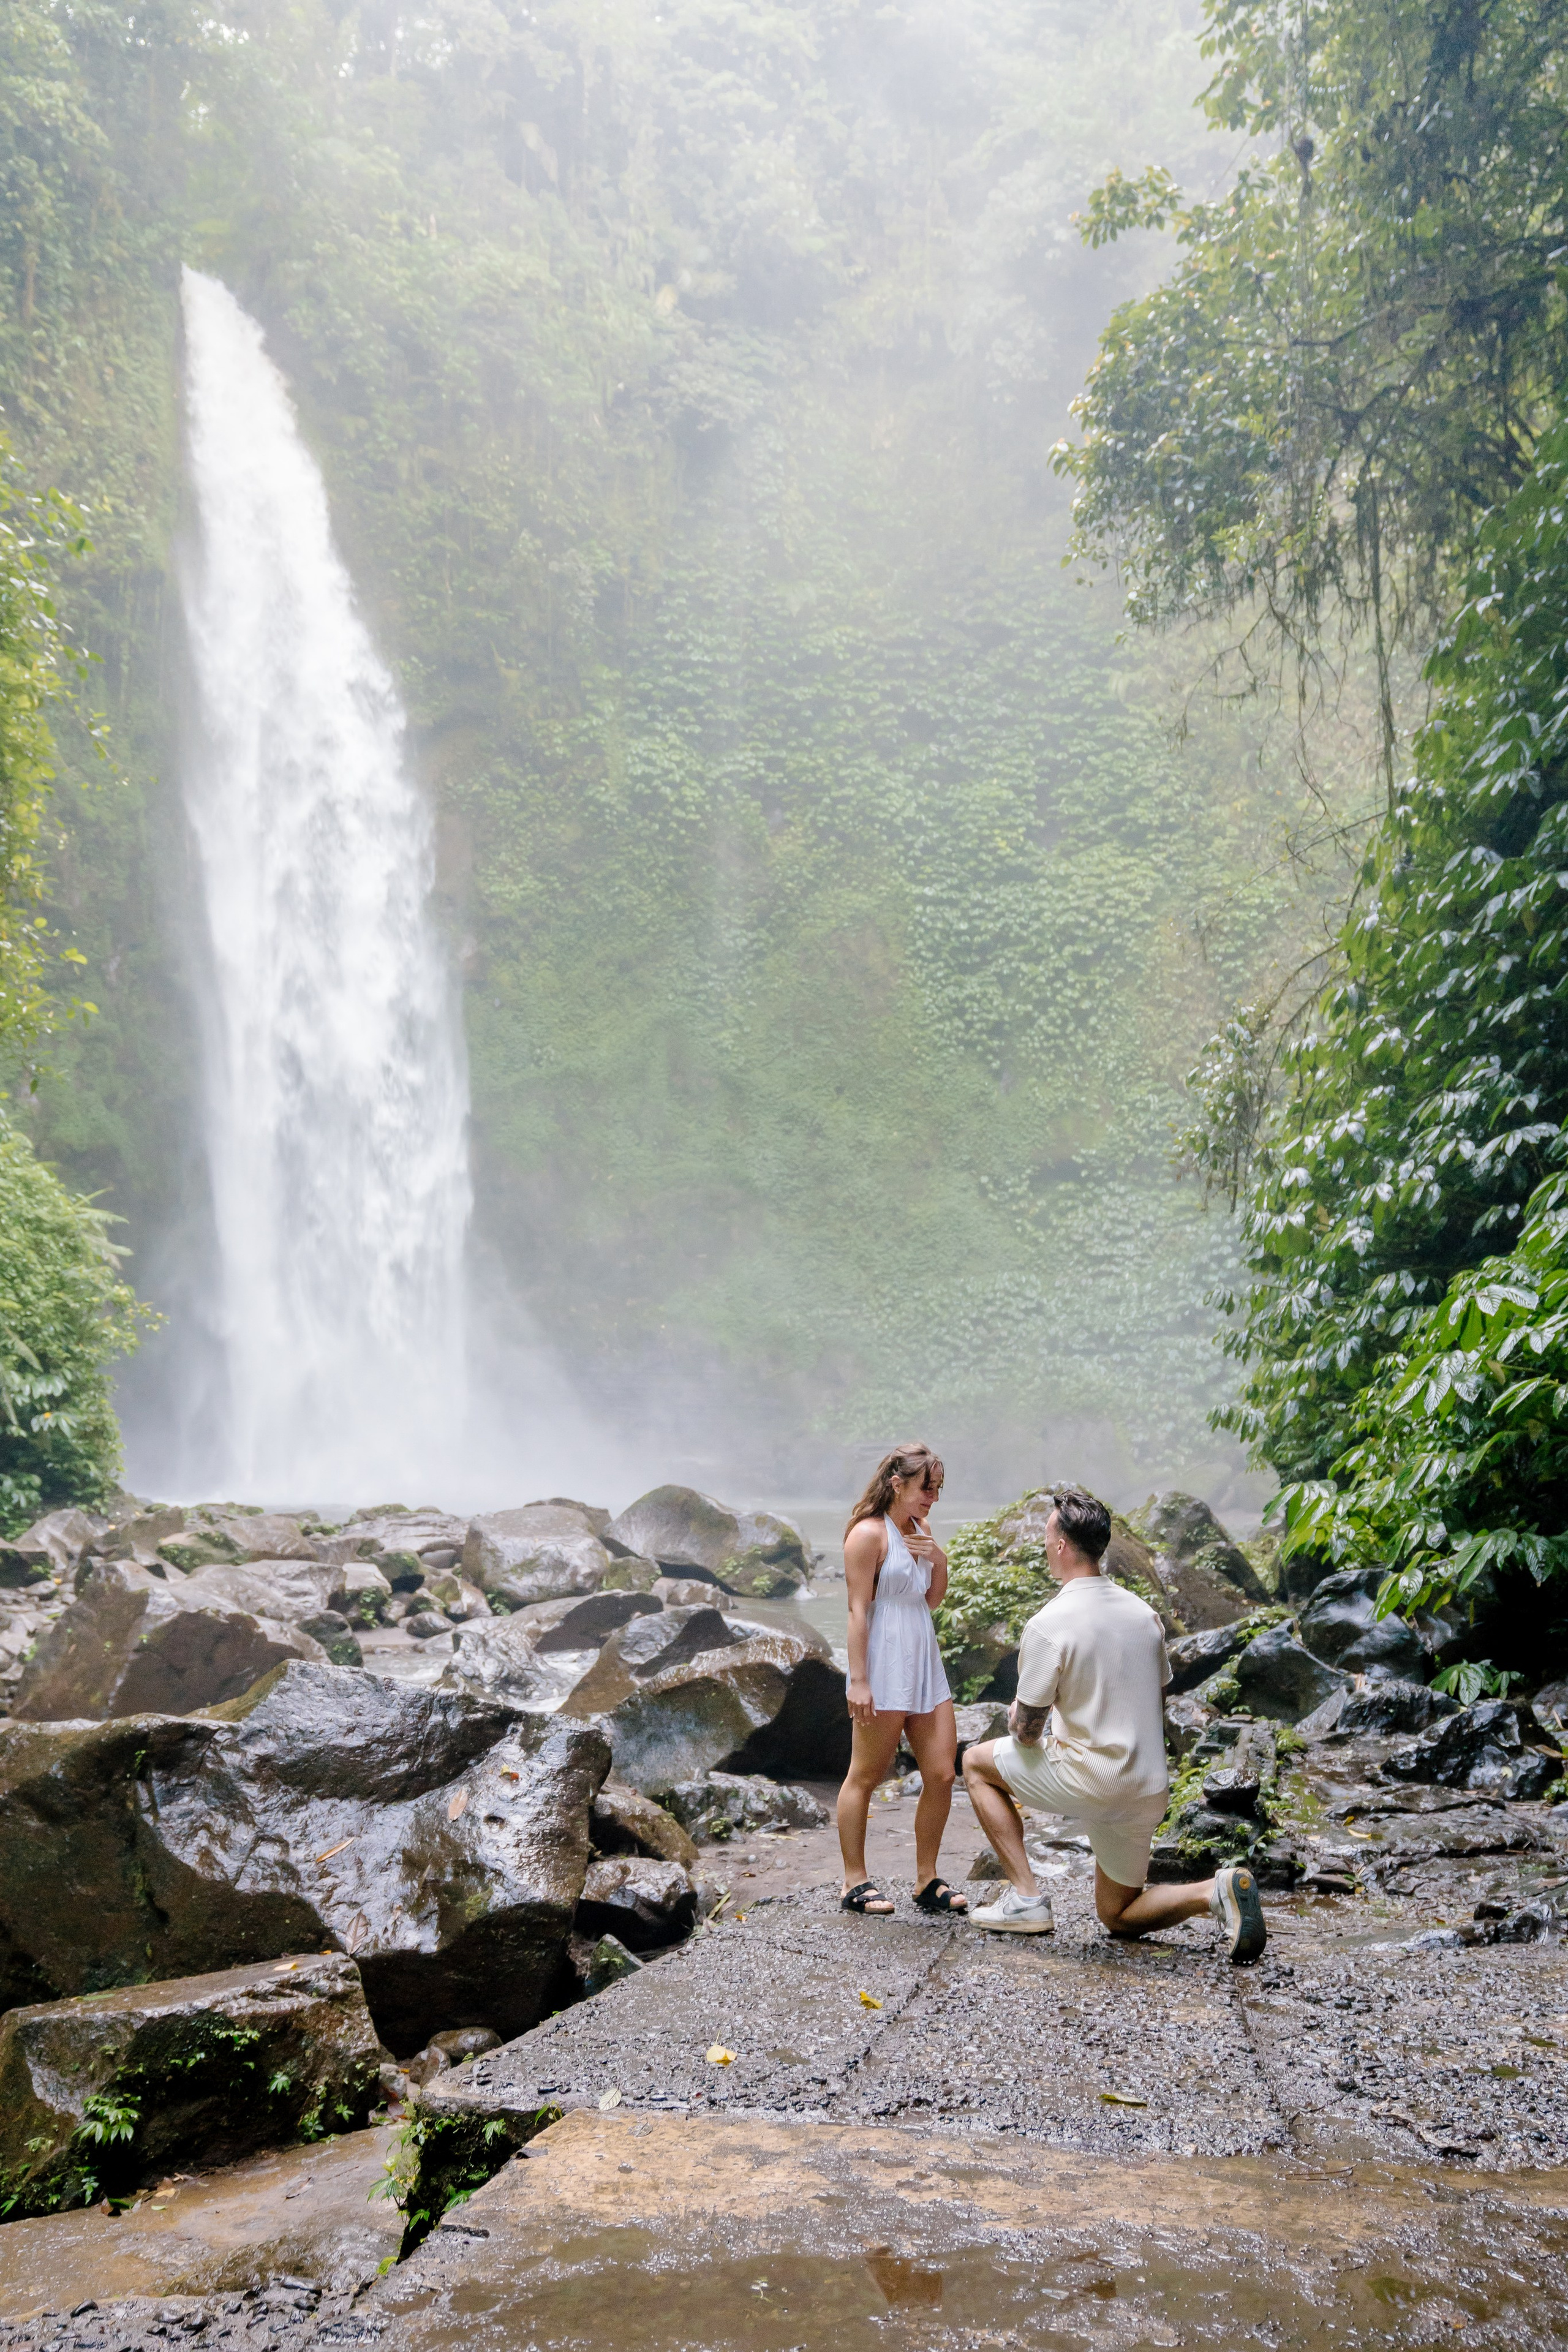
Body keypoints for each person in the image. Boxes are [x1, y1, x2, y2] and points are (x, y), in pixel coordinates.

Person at [962, 1485, 1265, 1964]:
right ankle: (1216, 1890)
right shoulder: (1144, 1616)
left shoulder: (1049, 1623)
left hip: (1091, 1780)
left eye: (1046, 1536)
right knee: (1118, 1915)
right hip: (1146, 1787)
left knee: (975, 1764)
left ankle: (1024, 1898)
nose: (1044, 1545)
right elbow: (1155, 1697)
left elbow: (1026, 1734)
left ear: (1061, 1545)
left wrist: (1018, 1707)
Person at [836, 1444, 970, 1917]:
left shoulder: (921, 1531)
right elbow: (857, 1610)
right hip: (885, 1662)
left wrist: (939, 1558)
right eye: (926, 1488)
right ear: (898, 1484)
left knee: (942, 1773)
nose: (933, 1498)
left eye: (937, 1490)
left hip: (923, 1661)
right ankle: (855, 1882)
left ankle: (926, 1879)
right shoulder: (868, 1535)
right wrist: (859, 1681)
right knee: (866, 1775)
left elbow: (929, 1600)